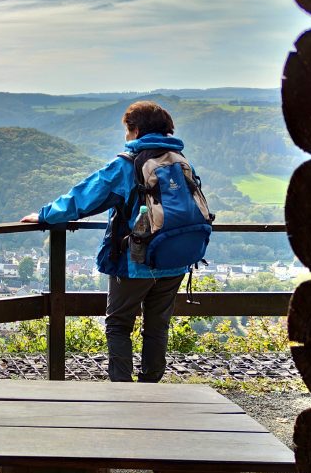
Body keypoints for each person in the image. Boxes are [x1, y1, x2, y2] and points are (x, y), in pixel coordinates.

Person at [20, 101, 191, 383]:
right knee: (157, 326)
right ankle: (151, 390)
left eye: (127, 130)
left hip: (136, 261)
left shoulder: (128, 164)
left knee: (119, 324)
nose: (126, 136)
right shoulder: (180, 161)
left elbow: (87, 195)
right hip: (175, 258)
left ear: (135, 130)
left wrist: (44, 215)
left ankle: (122, 392)